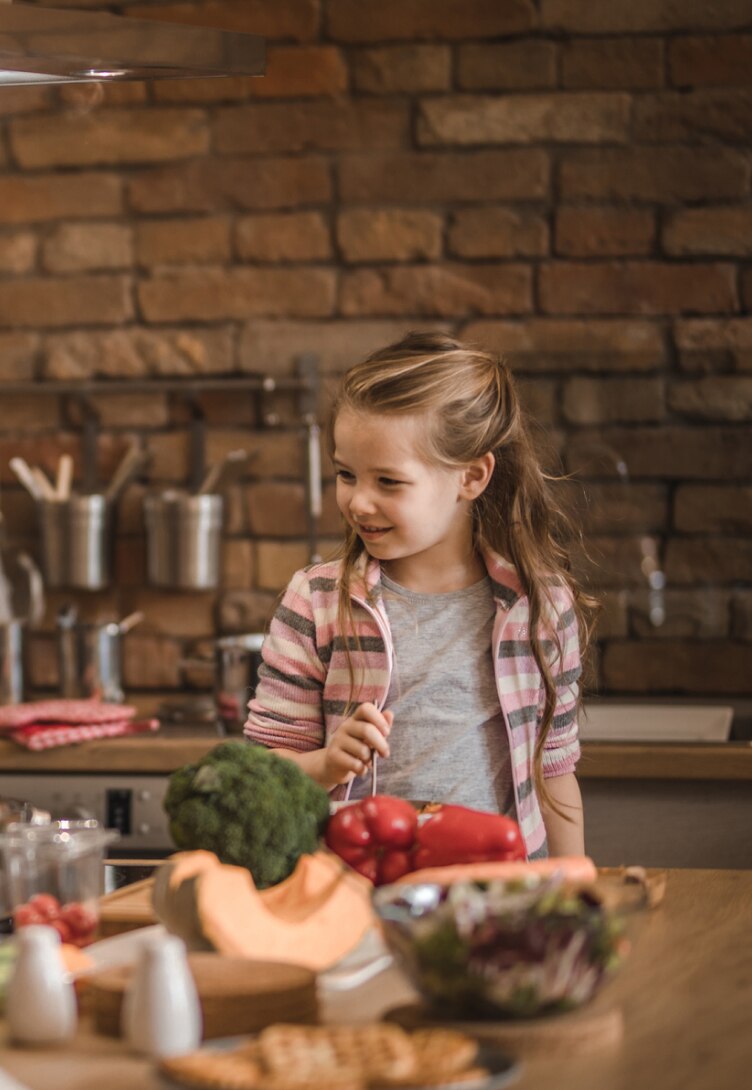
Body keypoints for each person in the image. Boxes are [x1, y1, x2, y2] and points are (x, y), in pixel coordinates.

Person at [244, 332, 593, 859]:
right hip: (356, 892)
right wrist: (326, 764)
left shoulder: (540, 607)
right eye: (346, 474)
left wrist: (575, 890)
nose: (358, 501)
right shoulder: (315, 602)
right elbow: (262, 773)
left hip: (499, 892)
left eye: (388, 481)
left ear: (471, 476)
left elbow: (556, 773)